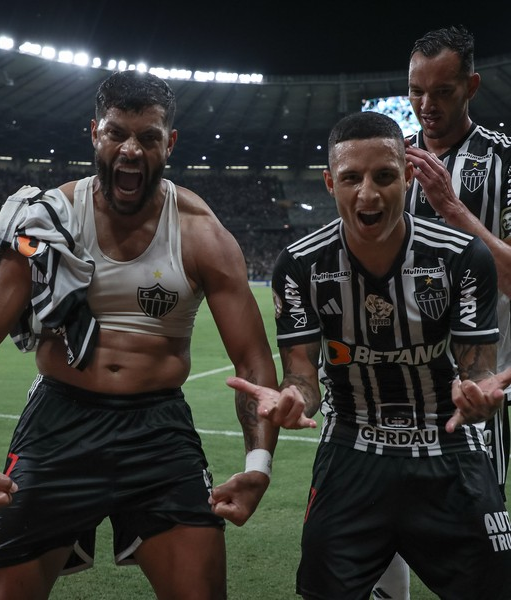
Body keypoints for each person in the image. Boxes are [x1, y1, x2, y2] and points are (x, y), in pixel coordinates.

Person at [0, 70, 279, 600]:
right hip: (60, 421)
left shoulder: (201, 232)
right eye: (117, 133)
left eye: (148, 137)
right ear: (94, 133)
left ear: (170, 143)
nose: (130, 150)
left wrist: (258, 465)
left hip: (158, 430)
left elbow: (254, 362)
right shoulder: (49, 221)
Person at [215, 111, 511, 599]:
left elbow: (477, 369)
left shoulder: (461, 256)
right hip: (351, 448)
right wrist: (294, 398)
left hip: (448, 445)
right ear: (330, 182)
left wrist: (478, 396)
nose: (367, 194)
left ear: (409, 176)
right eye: (351, 178)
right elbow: (302, 377)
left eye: (384, 176)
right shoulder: (301, 264)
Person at [373, 25, 511, 599]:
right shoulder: (390, 162)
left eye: (442, 92)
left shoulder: (504, 160)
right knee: (379, 518)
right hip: (396, 378)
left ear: (471, 86)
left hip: (477, 383)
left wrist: (453, 210)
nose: (425, 105)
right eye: (415, 91)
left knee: (479, 542)